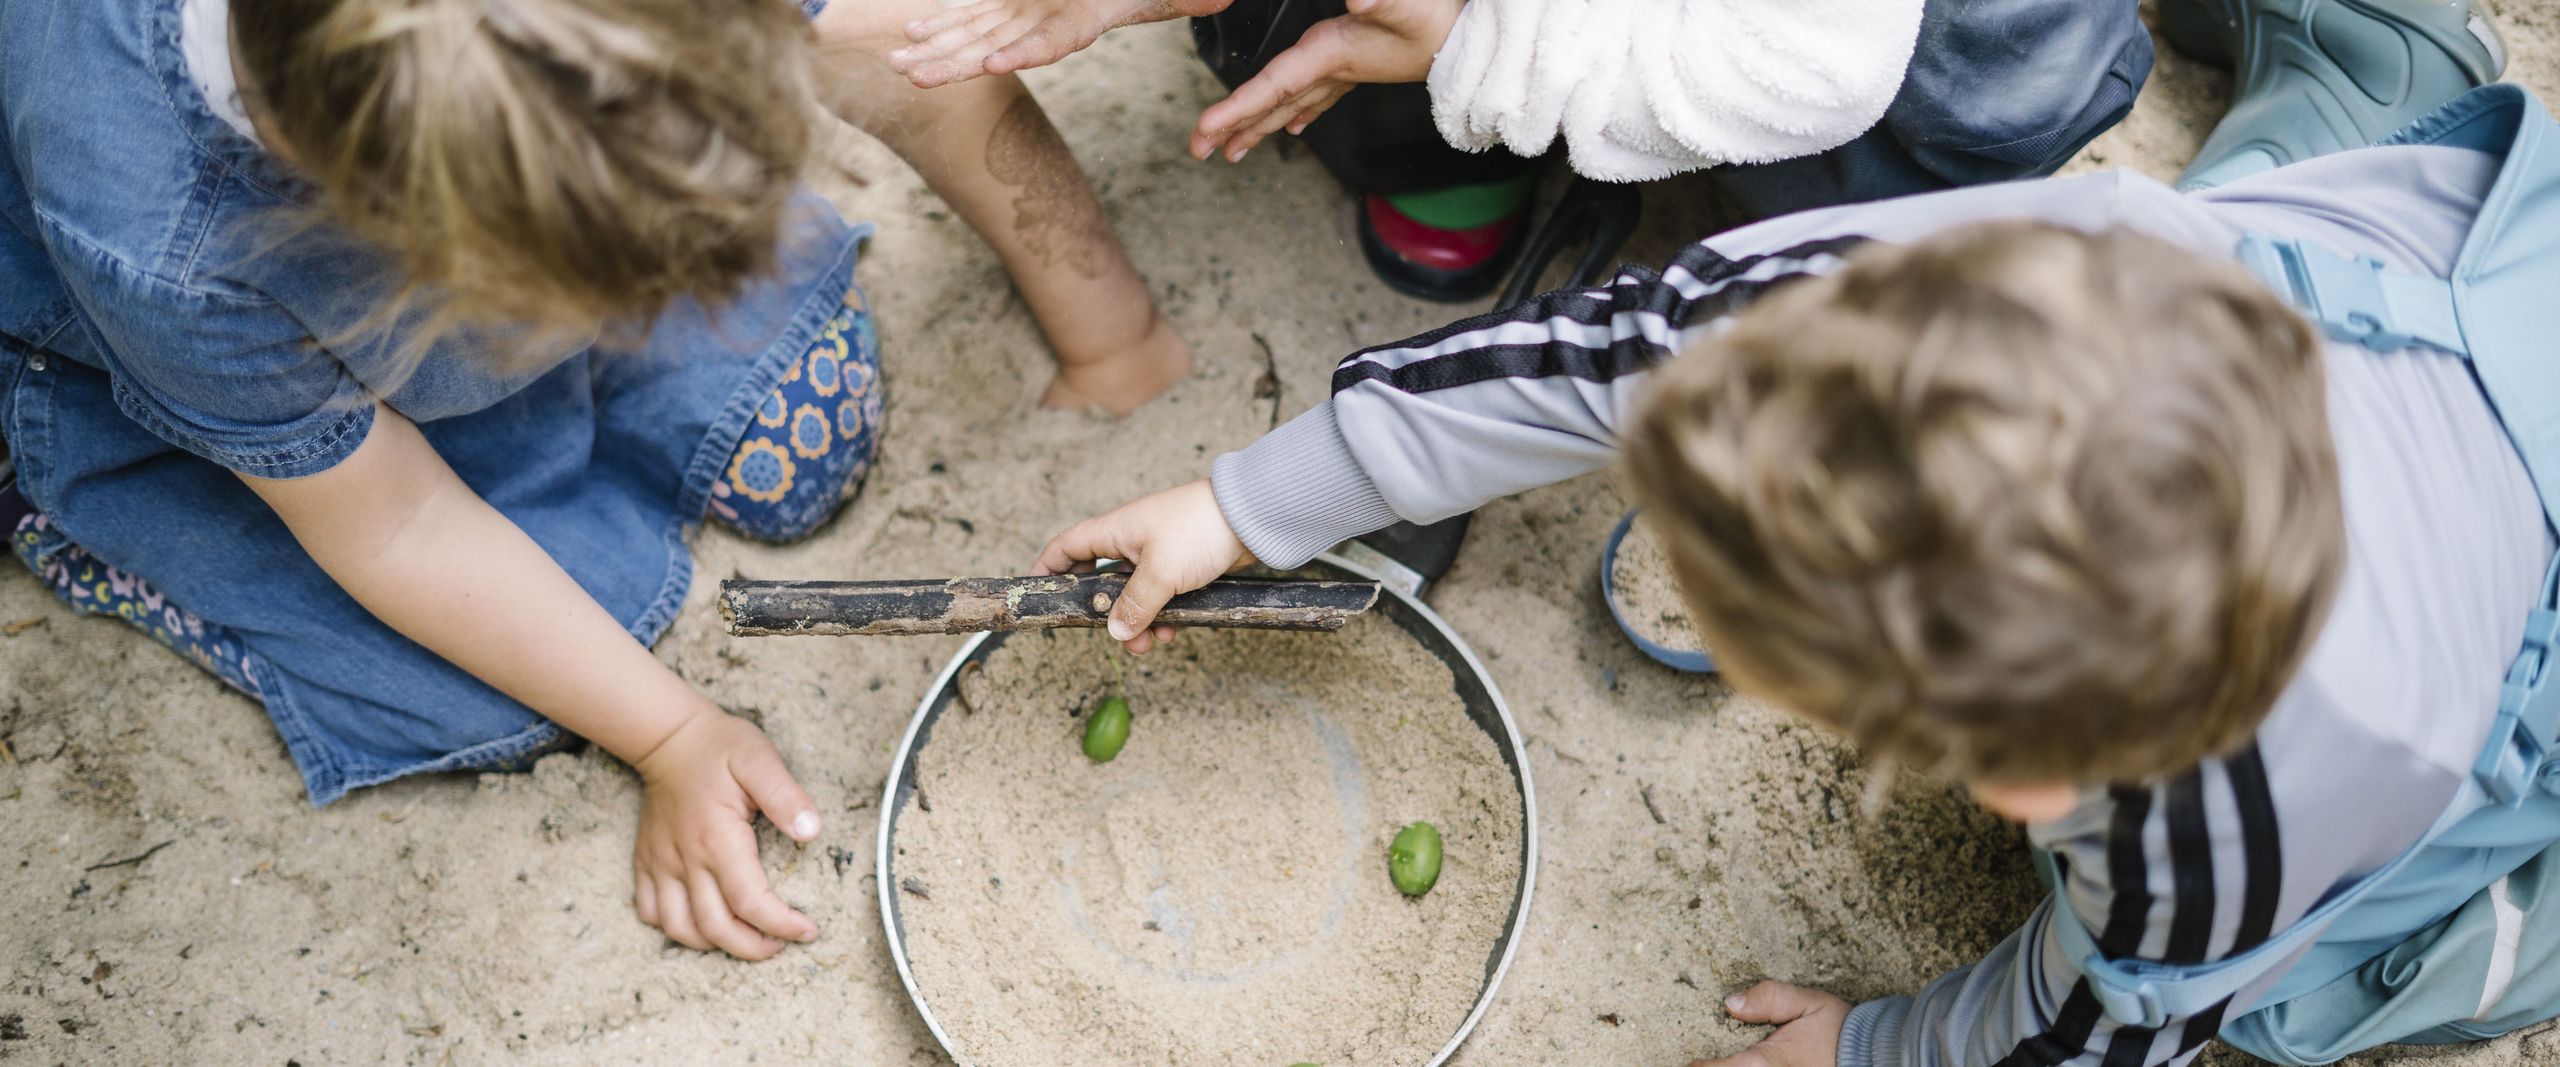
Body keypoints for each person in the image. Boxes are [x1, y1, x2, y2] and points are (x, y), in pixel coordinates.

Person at [1023, 72, 2560, 1067]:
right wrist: (1251, 500)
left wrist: (1875, 1050)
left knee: (2298, 999)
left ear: (2035, 780)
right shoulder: (1922, 300)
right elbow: (1622, 348)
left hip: (2490, 646)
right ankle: (2368, 66)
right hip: (2464, 271)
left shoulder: (2260, 810)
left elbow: (2095, 1020)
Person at [0, 0, 1177, 962]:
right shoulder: (165, 243)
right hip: (209, 387)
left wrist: (1108, 331)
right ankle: (61, 506)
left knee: (802, 445)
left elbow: (918, 59)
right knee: (495, 703)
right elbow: (395, 520)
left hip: (535, 220)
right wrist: (673, 733)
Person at [887, 0, 2157, 301]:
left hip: (1900, 62)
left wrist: (1471, 41)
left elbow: (1803, 69)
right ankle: (1463, 119)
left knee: (1843, 197)